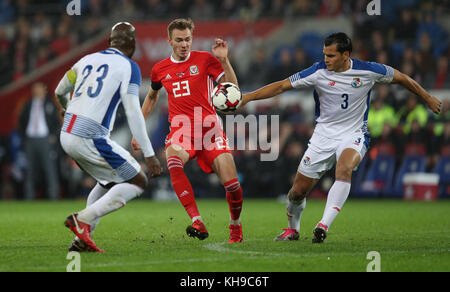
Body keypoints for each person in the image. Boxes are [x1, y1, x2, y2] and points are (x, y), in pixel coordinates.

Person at [239, 32, 442, 243]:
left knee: (344, 169)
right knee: (297, 193)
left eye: (331, 55)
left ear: (346, 55)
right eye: (324, 54)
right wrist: (248, 98)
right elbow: (281, 85)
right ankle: (293, 230)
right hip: (323, 136)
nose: (326, 59)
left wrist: (426, 97)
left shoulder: (368, 70)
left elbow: (401, 78)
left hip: (354, 134)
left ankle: (323, 225)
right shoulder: (318, 72)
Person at [131, 18, 244, 243]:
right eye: (179, 40)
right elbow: (152, 96)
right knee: (172, 158)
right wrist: (138, 128)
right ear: (169, 41)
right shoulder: (160, 69)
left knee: (232, 186)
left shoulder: (206, 60)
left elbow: (233, 90)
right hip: (182, 131)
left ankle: (235, 226)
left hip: (211, 131)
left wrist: (224, 61)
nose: (184, 44)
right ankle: (197, 220)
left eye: (188, 39)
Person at [54, 22, 163, 252]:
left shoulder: (85, 60)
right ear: (132, 45)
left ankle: (82, 239)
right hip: (90, 136)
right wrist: (150, 154)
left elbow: (59, 91)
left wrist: (65, 110)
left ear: (109, 42)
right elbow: (133, 111)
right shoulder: (128, 66)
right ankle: (83, 218)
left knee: (109, 181)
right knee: (138, 181)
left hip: (68, 134)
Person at [18, 82, 60, 200]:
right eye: (34, 88)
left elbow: (57, 122)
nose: (36, 90)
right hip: (30, 140)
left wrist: (53, 136)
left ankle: (53, 196)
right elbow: (21, 122)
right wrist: (24, 137)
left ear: (44, 90)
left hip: (45, 140)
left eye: (39, 88)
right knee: (29, 170)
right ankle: (29, 197)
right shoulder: (27, 104)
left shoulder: (49, 104)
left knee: (49, 169)